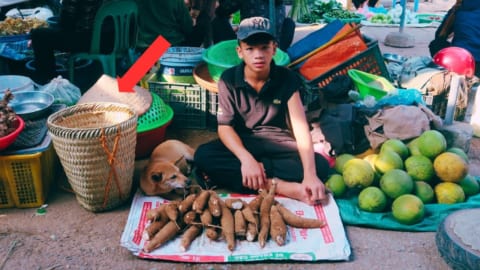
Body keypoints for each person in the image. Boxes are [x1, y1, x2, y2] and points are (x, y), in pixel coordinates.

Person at [194, 17, 330, 206]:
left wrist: (310, 175)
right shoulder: (228, 79)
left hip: (279, 144)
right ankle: (281, 187)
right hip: (245, 142)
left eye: (264, 47)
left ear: (274, 49)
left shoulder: (287, 78)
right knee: (203, 156)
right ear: (239, 52)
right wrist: (246, 159)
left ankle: (261, 180)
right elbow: (225, 127)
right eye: (250, 49)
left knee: (320, 166)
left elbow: (300, 128)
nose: (258, 55)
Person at [30, 0, 112, 85]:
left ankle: (48, 83)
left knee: (39, 35)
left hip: (93, 41)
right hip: (117, 40)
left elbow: (67, 23)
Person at [211, 0, 295, 51]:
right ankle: (280, 51)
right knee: (289, 22)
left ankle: (224, 53)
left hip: (251, 47)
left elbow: (221, 11)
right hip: (275, 47)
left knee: (216, 21)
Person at [429, 0, 480, 77]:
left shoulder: (459, 7)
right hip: (474, 64)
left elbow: (439, 36)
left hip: (459, 63)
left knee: (435, 44)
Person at [135, 0, 209, 51]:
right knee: (204, 18)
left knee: (136, 73)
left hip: (143, 44)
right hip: (171, 45)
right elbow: (187, 28)